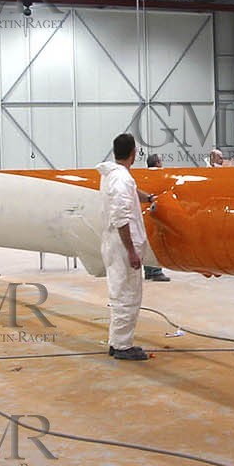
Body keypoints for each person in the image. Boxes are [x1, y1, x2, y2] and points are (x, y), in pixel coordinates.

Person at [97, 133, 155, 361]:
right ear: (133, 153)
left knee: (121, 292)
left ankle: (117, 341)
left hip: (113, 242)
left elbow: (129, 194)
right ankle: (122, 346)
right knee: (127, 294)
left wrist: (148, 198)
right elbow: (121, 217)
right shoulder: (121, 179)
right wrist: (131, 250)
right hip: (122, 245)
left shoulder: (113, 176)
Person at [141, 154, 170, 283]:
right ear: (157, 163)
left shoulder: (145, 176)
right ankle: (155, 271)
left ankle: (149, 271)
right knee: (155, 242)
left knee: (147, 241)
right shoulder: (158, 176)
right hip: (154, 212)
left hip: (145, 212)